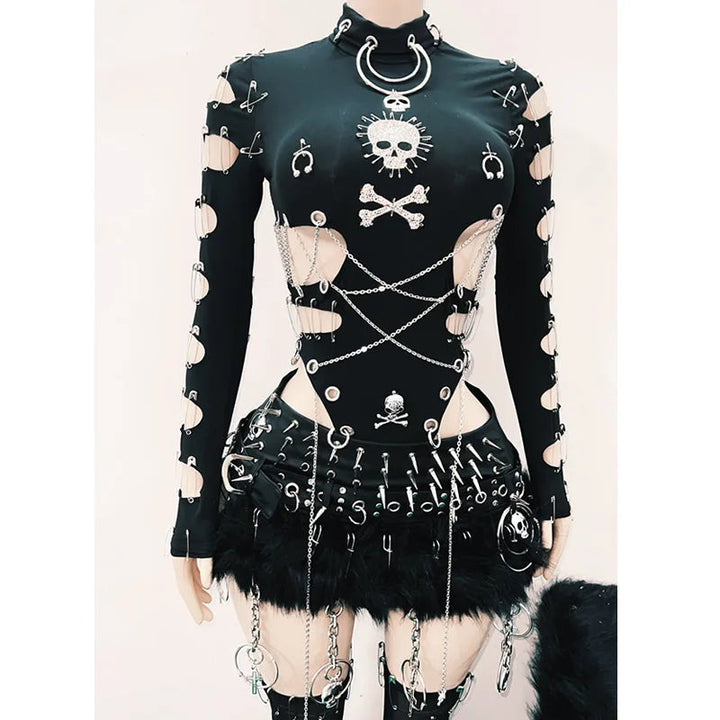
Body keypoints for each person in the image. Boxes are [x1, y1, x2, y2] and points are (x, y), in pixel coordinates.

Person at [169, 2, 573, 717]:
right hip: (296, 476)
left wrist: (551, 478)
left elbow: (527, 306)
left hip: (459, 487)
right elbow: (219, 302)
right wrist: (192, 498)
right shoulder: (252, 90)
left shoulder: (515, 98)